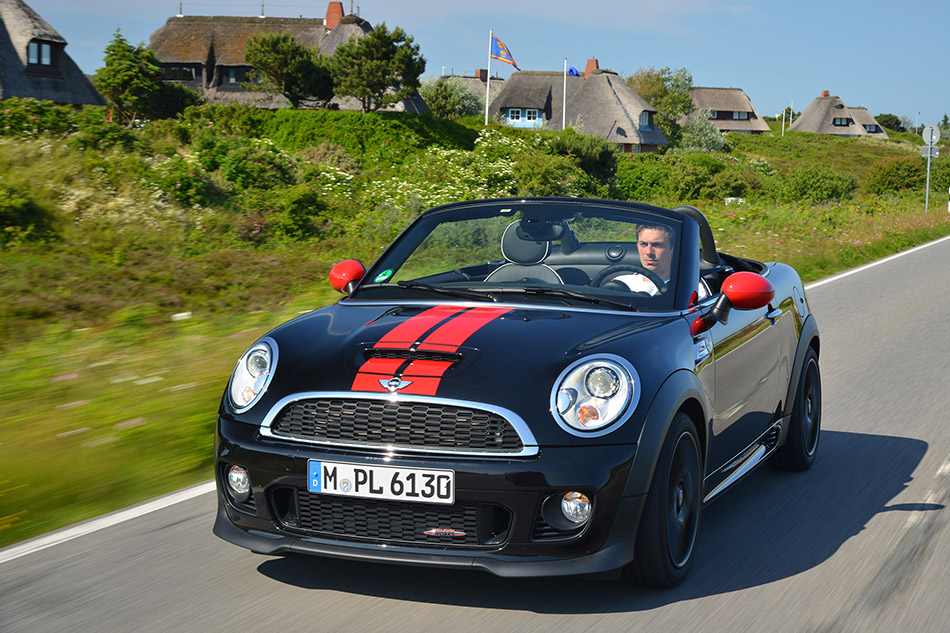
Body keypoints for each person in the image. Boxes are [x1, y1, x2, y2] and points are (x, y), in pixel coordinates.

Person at [609, 224, 708, 300]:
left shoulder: (692, 291)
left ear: (672, 248)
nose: (649, 252)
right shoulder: (620, 283)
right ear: (637, 246)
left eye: (657, 245)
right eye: (643, 244)